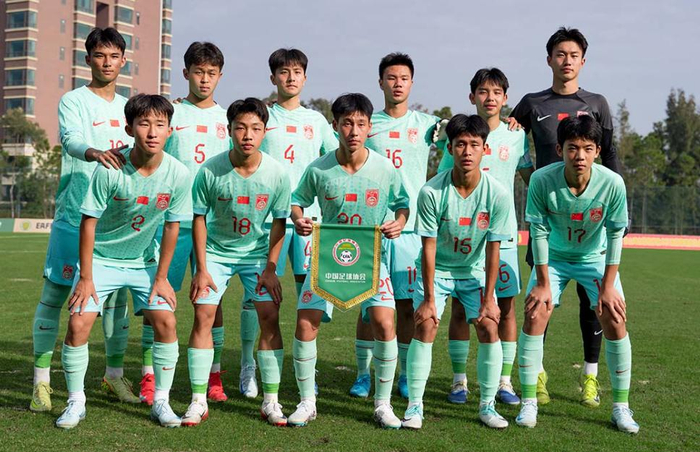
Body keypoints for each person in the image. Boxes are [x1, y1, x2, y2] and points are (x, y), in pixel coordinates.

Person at [55, 94, 192, 429]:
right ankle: (76, 402)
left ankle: (161, 402)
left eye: (160, 124)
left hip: (143, 262)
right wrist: (86, 277)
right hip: (101, 260)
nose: (152, 132)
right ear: (129, 128)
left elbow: (172, 226)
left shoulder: (178, 174)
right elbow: (88, 222)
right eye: (144, 124)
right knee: (78, 324)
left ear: (170, 130)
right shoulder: (110, 168)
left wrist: (161, 278)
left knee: (166, 322)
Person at [510, 26, 622, 406]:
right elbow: (508, 141)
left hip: (590, 220)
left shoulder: (597, 103)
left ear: (583, 61)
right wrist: (529, 179)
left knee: (594, 304)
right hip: (548, 220)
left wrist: (613, 204)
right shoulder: (531, 103)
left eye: (574, 55)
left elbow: (610, 155)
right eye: (560, 54)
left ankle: (590, 377)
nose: (567, 61)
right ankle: (537, 375)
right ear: (549, 60)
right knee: (540, 301)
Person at [30, 27, 138, 412]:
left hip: (116, 220)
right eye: (100, 55)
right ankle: (41, 382)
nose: (107, 63)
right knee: (55, 295)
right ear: (88, 58)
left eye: (114, 56)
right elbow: (71, 138)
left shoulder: (130, 106)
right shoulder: (73, 100)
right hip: (74, 213)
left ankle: (114, 376)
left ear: (123, 61)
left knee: (117, 302)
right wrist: (94, 152)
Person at [288, 93, 409, 429]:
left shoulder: (385, 168)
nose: (353, 131)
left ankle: (382, 405)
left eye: (360, 124)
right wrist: (298, 219)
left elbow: (402, 204)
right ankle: (307, 402)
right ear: (335, 126)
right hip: (326, 259)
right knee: (305, 322)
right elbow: (297, 201)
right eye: (346, 123)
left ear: (369, 127)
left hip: (371, 261)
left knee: (385, 323)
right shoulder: (319, 168)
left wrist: (399, 222)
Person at [515, 115, 638, 434]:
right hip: (554, 258)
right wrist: (543, 283)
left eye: (587, 148)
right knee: (535, 312)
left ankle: (621, 407)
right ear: (560, 149)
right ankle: (529, 400)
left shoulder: (612, 183)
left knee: (614, 317)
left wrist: (608, 287)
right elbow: (538, 232)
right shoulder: (541, 180)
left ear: (597, 151)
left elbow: (615, 235)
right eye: (572, 148)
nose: (579, 156)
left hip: (594, 258)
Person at [183, 98, 291, 427]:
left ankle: (271, 401)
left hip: (256, 255)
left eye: (255, 128)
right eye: (240, 128)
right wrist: (202, 269)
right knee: (203, 314)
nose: (247, 135)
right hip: (215, 253)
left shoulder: (276, 173)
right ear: (228, 130)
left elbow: (279, 223)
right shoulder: (209, 170)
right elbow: (199, 219)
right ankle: (198, 400)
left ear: (264, 132)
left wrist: (271, 268)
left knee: (269, 315)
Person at [401, 114, 511, 430]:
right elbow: (428, 248)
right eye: (460, 144)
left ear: (484, 149)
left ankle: (487, 406)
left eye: (474, 144)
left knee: (489, 325)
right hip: (438, 271)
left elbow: (493, 250)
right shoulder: (431, 192)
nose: (467, 151)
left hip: (474, 270)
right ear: (449, 148)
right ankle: (414, 407)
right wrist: (429, 299)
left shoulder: (497, 194)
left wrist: (489, 299)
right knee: (426, 324)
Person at [140, 41, 232, 406]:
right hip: (171, 220)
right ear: (185, 73)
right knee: (158, 296)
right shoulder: (171, 113)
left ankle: (213, 376)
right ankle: (149, 376)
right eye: (198, 72)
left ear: (220, 76)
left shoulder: (227, 118)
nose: (204, 79)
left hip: (213, 223)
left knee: (211, 300)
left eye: (211, 73)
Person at [437, 68, 533, 405]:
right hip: (463, 239)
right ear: (472, 96)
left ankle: (504, 381)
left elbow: (530, 178)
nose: (489, 98)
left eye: (496, 92)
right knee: (460, 310)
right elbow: (443, 180)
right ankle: (459, 381)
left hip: (501, 238)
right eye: (482, 91)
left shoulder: (516, 136)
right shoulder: (459, 135)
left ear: (505, 99)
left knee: (505, 308)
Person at [350, 52, 441, 400]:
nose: (397, 83)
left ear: (412, 83)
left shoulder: (428, 124)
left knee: (404, 305)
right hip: (370, 228)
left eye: (403, 78)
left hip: (410, 229)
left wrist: (511, 122)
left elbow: (468, 132)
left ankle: (403, 374)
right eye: (391, 78)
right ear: (380, 83)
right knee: (367, 306)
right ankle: (363, 374)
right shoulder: (366, 124)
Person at [256, 48, 338, 397]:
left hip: (308, 221)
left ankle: (308, 370)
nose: (290, 77)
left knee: (310, 296)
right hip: (268, 220)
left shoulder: (317, 121)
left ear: (305, 78)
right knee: (261, 298)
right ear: (273, 77)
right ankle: (249, 367)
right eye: (283, 72)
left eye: (297, 72)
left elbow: (337, 158)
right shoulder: (262, 116)